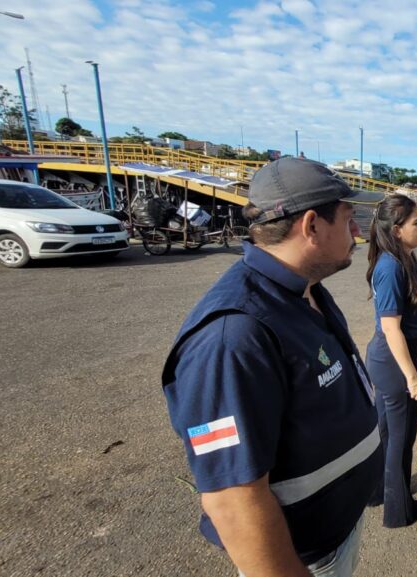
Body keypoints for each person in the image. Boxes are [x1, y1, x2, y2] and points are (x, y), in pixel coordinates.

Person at [161, 157, 384, 577]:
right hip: (301, 558)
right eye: (350, 218)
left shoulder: (302, 289)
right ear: (312, 226)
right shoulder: (234, 337)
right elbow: (230, 499)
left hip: (334, 532)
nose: (357, 232)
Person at [364, 194, 417, 527]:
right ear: (397, 230)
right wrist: (412, 377)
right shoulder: (390, 267)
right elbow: (390, 327)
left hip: (397, 357)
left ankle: (378, 492)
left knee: (385, 433)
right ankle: (399, 511)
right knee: (400, 439)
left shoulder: (403, 258)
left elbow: (408, 311)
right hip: (395, 362)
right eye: (416, 223)